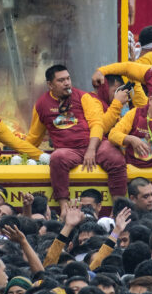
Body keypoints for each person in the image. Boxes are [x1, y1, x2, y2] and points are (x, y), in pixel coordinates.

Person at [27, 64, 127, 208]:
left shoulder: (83, 97)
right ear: (50, 85)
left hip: (95, 145)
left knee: (115, 157)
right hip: (68, 151)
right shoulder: (41, 104)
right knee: (56, 157)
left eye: (68, 79)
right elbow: (34, 137)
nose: (67, 83)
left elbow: (97, 124)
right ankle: (64, 207)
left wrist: (91, 150)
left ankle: (119, 207)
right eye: (61, 80)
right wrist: (18, 153)